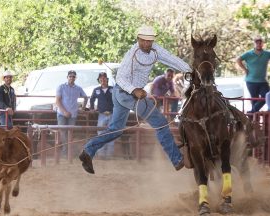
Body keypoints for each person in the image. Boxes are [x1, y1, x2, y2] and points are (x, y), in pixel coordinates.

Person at [79, 24, 192, 174]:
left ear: (153, 41)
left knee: (116, 130)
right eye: (143, 40)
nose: (146, 44)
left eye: (149, 41)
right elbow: (120, 77)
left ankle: (88, 151)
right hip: (127, 94)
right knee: (160, 122)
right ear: (138, 39)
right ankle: (177, 159)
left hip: (121, 94)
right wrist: (135, 90)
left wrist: (190, 70)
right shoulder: (132, 55)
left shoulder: (156, 50)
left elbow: (171, 60)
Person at [56, 70, 88, 155]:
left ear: (75, 78)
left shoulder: (78, 88)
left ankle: (67, 152)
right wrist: (64, 111)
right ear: (67, 77)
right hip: (62, 114)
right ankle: (66, 152)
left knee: (70, 132)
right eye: (70, 76)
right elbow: (58, 101)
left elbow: (86, 97)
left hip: (73, 114)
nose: (72, 78)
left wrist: (83, 108)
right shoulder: (61, 87)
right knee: (63, 132)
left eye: (73, 76)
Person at [236, 35, 270, 113]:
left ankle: (252, 112)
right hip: (251, 81)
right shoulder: (249, 54)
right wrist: (244, 69)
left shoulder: (267, 54)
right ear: (254, 44)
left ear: (262, 44)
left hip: (263, 81)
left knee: (267, 96)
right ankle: (254, 121)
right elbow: (238, 59)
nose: (259, 44)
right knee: (254, 99)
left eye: (260, 43)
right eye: (257, 43)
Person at [89, 72, 114, 158]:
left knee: (111, 133)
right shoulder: (96, 90)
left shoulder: (113, 89)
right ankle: (101, 154)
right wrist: (92, 108)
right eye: (101, 79)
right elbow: (92, 99)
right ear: (99, 80)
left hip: (112, 114)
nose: (103, 80)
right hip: (102, 114)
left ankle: (109, 154)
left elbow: (118, 99)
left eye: (104, 78)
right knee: (100, 133)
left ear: (107, 79)